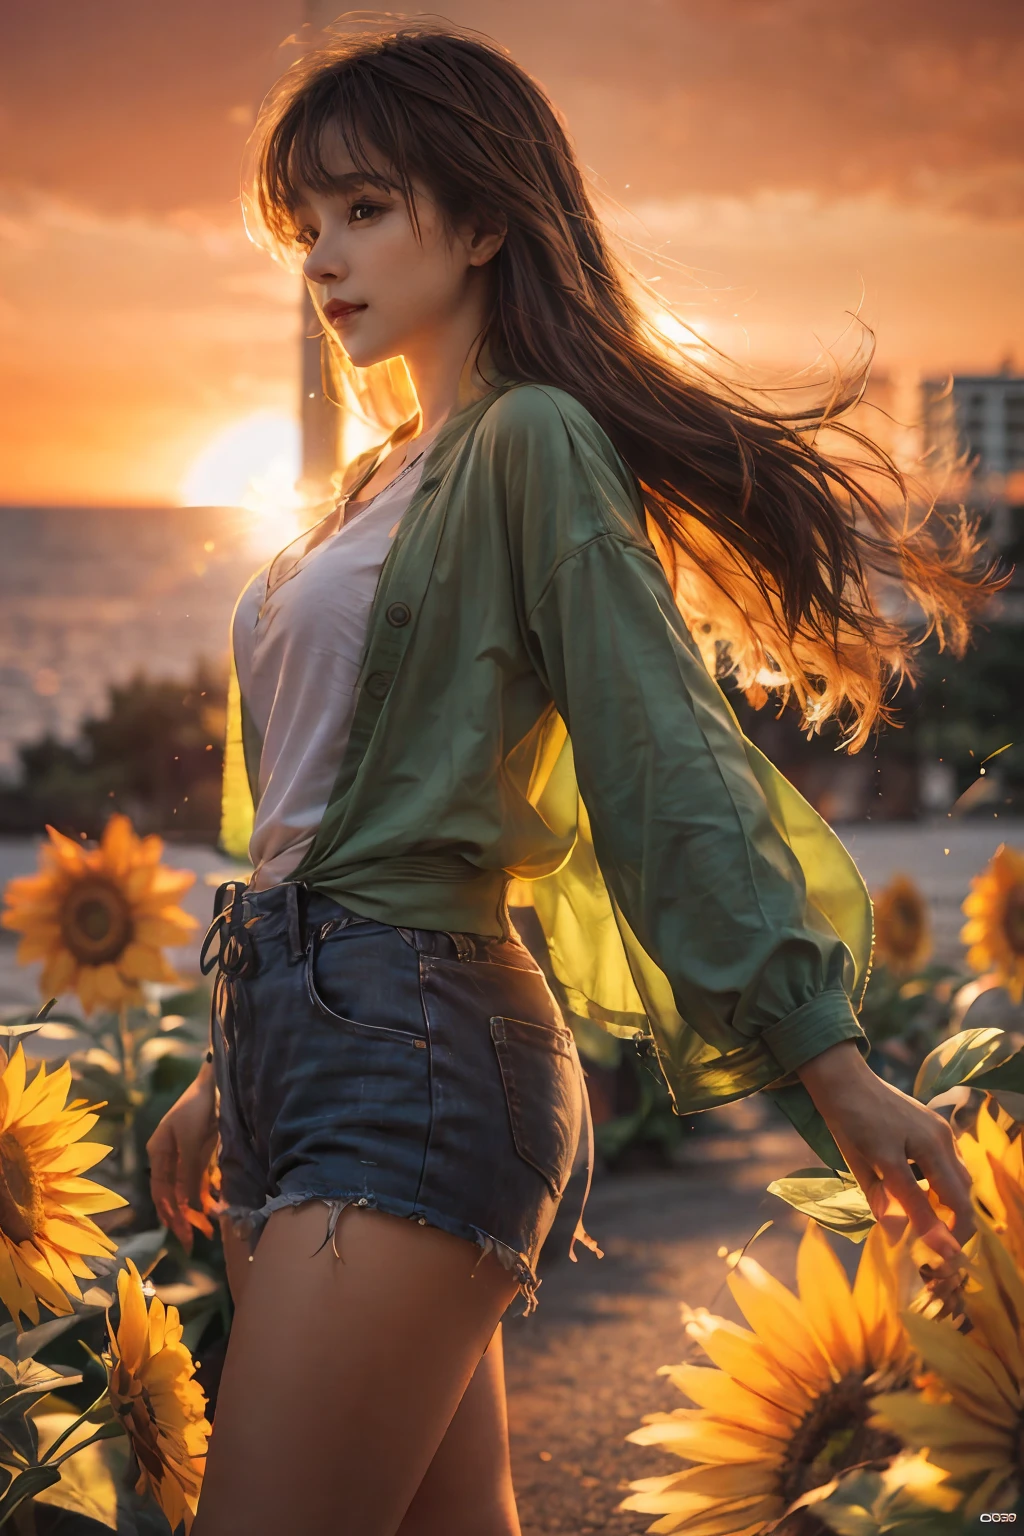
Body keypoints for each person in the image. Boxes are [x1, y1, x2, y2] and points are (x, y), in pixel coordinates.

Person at [147, 22, 994, 1536]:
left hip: (408, 1054)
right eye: (303, 227)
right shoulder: (373, 478)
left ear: (479, 220)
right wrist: (224, 1073)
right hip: (297, 1054)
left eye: (365, 209)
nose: (322, 260)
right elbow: (308, 819)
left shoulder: (531, 443)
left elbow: (655, 746)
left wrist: (831, 1056)